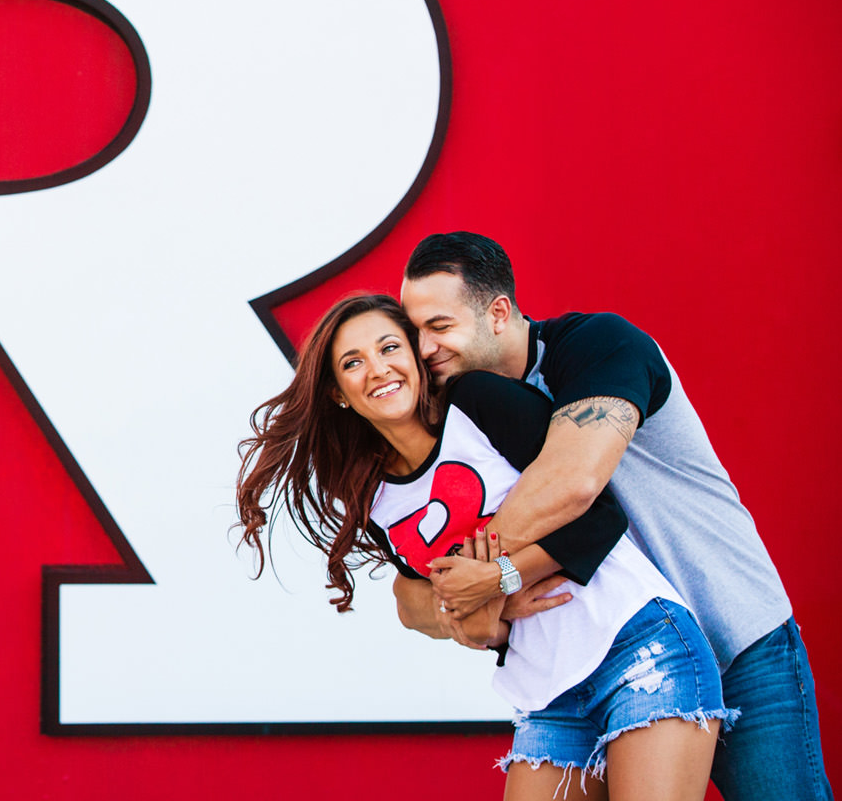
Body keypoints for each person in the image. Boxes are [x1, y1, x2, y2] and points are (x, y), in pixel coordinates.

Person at [236, 293, 734, 800]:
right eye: (353, 362)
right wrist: (476, 619)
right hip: (547, 691)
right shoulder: (374, 498)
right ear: (337, 392)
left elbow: (600, 518)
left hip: (637, 645)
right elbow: (436, 599)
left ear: (416, 355)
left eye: (390, 348)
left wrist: (501, 579)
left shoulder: (477, 403)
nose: (378, 369)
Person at [400, 231, 831, 801]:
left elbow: (574, 483)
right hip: (598, 663)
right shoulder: (461, 411)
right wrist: (465, 603)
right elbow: (411, 600)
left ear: (498, 312)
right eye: (415, 332)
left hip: (736, 637)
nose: (424, 349)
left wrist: (481, 577)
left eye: (440, 327)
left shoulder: (600, 345)